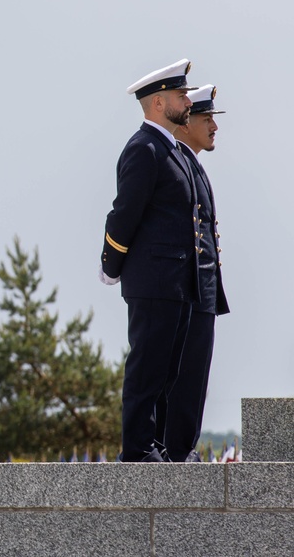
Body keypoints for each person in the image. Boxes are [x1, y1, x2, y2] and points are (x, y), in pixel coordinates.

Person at [100, 58, 201, 462]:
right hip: (154, 280)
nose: (186, 101)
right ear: (158, 103)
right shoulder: (144, 148)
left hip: (176, 282)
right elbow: (125, 212)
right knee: (147, 369)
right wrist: (112, 263)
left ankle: (152, 443)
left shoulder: (169, 148)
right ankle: (137, 449)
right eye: (180, 95)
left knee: (166, 372)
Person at [160, 84, 229, 463]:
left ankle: (181, 449)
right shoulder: (176, 162)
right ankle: (175, 451)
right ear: (185, 124)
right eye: (206, 119)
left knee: (194, 378)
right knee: (182, 378)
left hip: (202, 289)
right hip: (186, 290)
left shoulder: (192, 164)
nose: (213, 127)